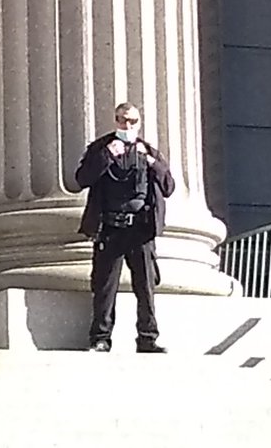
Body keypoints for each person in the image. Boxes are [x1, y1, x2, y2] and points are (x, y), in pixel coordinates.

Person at [75, 101, 174, 353]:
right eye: (121, 119)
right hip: (110, 228)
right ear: (115, 120)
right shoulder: (101, 147)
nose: (126, 125)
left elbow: (168, 187)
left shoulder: (148, 150)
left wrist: (152, 161)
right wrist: (108, 155)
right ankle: (100, 338)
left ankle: (147, 338)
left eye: (131, 121)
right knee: (104, 287)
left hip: (140, 230)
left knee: (146, 285)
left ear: (139, 123)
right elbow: (81, 179)